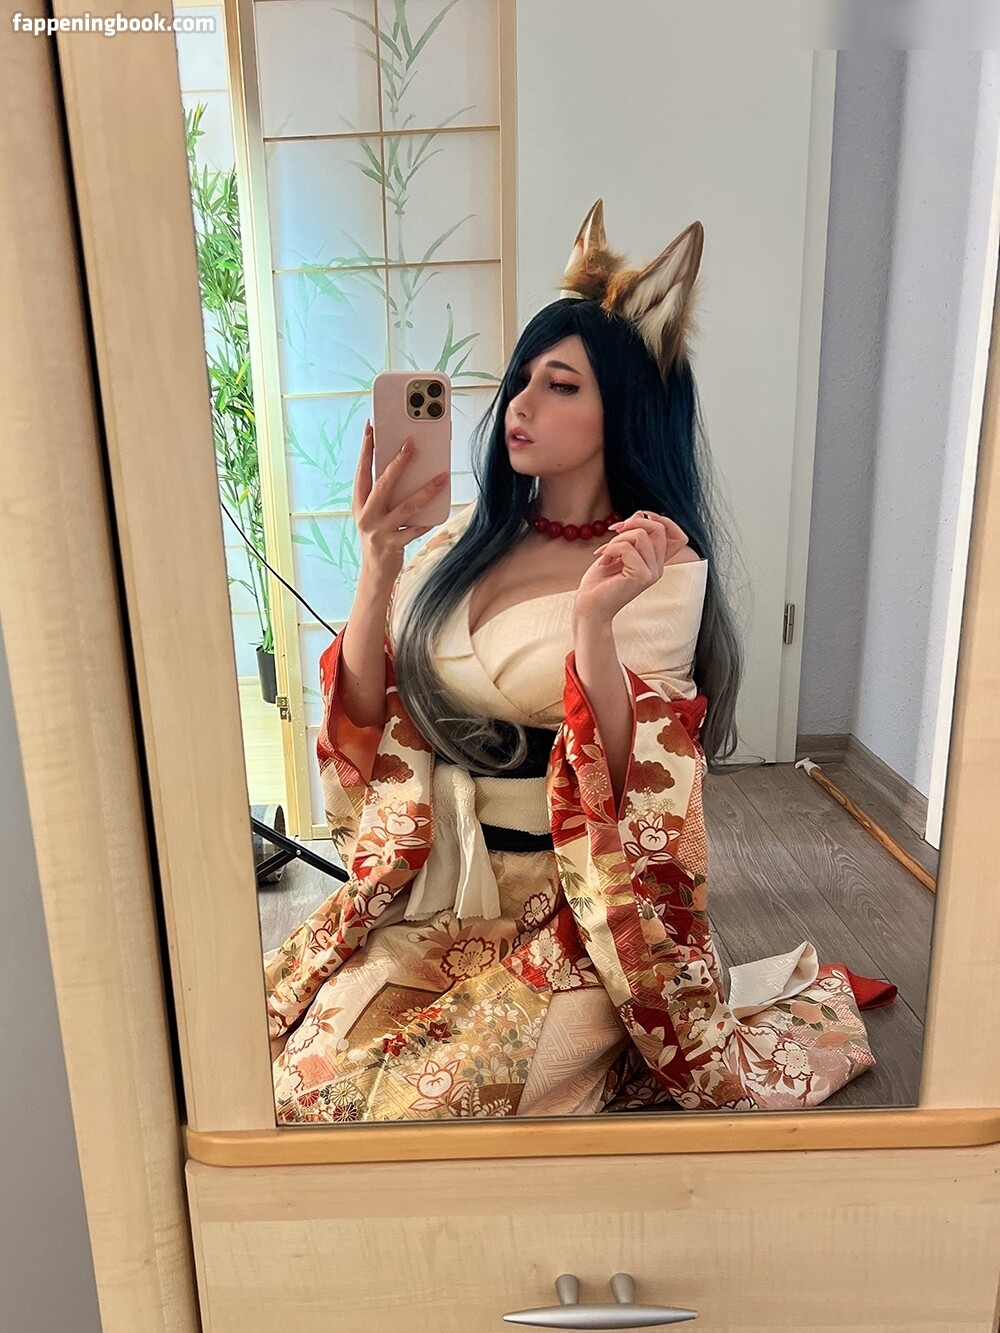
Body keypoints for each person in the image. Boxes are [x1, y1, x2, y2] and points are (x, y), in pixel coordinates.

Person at [264, 202, 894, 1123]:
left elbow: (642, 785)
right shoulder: (457, 544)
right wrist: (377, 566)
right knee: (294, 1082)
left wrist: (596, 626)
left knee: (417, 1111)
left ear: (625, 408)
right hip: (437, 894)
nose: (520, 404)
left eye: (560, 385)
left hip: (577, 919)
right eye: (521, 379)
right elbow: (370, 722)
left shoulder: (656, 566)